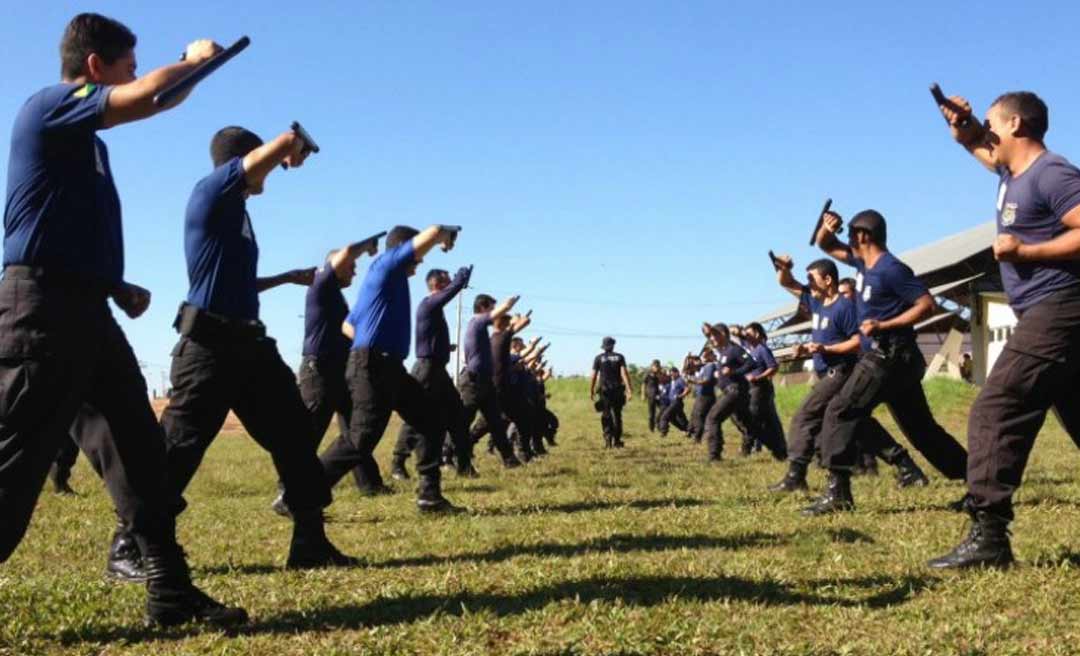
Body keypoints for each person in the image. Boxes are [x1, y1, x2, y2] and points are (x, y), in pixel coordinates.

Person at [0, 13, 244, 626]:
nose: (133, 77)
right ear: (93, 67)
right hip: (41, 314)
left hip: (87, 310)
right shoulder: (49, 107)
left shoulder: (88, 145)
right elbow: (152, 97)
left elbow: (60, 225)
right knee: (15, 466)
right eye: (126, 67)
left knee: (139, 450)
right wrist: (196, 59)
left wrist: (114, 284)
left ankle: (169, 590)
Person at [133, 124, 357, 575]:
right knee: (178, 447)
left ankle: (309, 542)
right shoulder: (214, 190)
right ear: (244, 160)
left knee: (295, 435)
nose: (270, 176)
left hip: (249, 345)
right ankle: (133, 544)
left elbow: (234, 280)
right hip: (209, 346)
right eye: (265, 166)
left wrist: (285, 278)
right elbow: (274, 150)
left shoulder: (237, 213)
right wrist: (291, 147)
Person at [929, 90, 1080, 568]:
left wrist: (1025, 252)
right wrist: (963, 129)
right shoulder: (1010, 174)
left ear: (1016, 124)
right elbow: (981, 147)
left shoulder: (1051, 173)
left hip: (1061, 307)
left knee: (996, 407)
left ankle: (990, 536)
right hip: (1047, 310)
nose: (987, 130)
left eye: (993, 122)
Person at [803, 207, 968, 516]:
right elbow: (825, 244)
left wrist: (884, 325)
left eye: (851, 234)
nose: (848, 240)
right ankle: (979, 483)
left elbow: (926, 304)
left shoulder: (891, 270)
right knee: (922, 430)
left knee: (840, 410)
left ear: (864, 236)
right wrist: (827, 226)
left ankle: (838, 494)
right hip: (893, 359)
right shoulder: (862, 264)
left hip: (888, 355)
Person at [319, 224, 465, 513]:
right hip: (373, 365)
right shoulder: (386, 265)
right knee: (360, 439)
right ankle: (299, 492)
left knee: (431, 421)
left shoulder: (384, 281)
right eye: (417, 255)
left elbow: (348, 324)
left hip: (387, 365)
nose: (419, 262)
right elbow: (435, 231)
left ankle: (430, 497)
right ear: (403, 250)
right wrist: (445, 235)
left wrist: (367, 340)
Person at [767, 256, 928, 493]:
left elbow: (858, 342)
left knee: (805, 416)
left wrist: (826, 349)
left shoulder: (845, 308)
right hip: (827, 373)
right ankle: (907, 467)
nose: (808, 283)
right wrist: (782, 269)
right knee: (857, 422)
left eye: (812, 279)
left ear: (828, 280)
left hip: (842, 371)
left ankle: (795, 475)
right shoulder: (816, 302)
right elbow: (787, 282)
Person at [273, 237, 380, 513]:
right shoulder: (321, 283)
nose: (354, 272)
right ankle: (288, 491)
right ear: (338, 265)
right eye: (351, 267)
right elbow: (346, 253)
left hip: (339, 370)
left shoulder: (334, 294)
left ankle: (369, 483)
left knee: (356, 428)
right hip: (319, 371)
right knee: (308, 433)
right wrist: (368, 245)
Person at [390, 266, 476, 481]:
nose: (450, 282)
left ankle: (464, 465)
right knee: (416, 417)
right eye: (447, 279)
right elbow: (450, 292)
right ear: (437, 284)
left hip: (437, 369)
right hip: (426, 371)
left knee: (457, 416)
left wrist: (445, 347)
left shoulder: (433, 308)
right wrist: (460, 280)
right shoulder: (429, 304)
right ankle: (398, 463)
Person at [701, 323, 785, 462]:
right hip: (732, 392)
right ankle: (780, 452)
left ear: (723, 335)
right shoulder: (723, 352)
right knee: (752, 427)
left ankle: (714, 456)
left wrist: (733, 372)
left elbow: (751, 363)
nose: (711, 338)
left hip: (735, 391)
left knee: (713, 418)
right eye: (709, 336)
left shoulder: (734, 349)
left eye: (714, 335)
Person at [459, 294, 524, 468]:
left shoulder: (482, 330)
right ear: (482, 308)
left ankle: (509, 460)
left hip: (485, 382)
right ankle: (449, 455)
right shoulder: (476, 322)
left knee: (496, 423)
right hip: (472, 382)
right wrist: (508, 304)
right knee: (463, 422)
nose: (494, 312)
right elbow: (498, 314)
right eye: (491, 308)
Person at [492, 314, 540, 461]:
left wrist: (535, 348)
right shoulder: (500, 341)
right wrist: (519, 320)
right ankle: (455, 451)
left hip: (510, 392)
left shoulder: (503, 347)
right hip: (501, 391)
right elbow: (525, 355)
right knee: (486, 425)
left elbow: (525, 356)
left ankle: (522, 453)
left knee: (522, 421)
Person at [743, 323, 787, 457]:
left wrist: (758, 377)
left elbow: (773, 367)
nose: (746, 336)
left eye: (748, 333)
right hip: (753, 389)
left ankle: (747, 447)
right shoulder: (752, 351)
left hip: (761, 389)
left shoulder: (762, 349)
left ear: (757, 334)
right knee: (770, 419)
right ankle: (780, 446)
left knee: (753, 417)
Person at [590, 337, 633, 448]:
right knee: (617, 415)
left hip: (604, 391)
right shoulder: (620, 357)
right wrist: (629, 389)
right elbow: (624, 374)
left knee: (606, 414)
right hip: (617, 390)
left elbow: (593, 376)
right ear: (613, 345)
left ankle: (608, 439)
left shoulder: (598, 358)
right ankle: (617, 441)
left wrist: (591, 390)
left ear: (603, 347)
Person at [686, 350, 716, 444]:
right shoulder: (704, 367)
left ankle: (698, 437)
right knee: (695, 415)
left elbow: (707, 380)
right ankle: (694, 433)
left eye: (705, 355)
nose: (703, 358)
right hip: (701, 395)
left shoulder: (710, 366)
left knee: (699, 416)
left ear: (710, 356)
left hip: (706, 396)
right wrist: (688, 360)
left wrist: (694, 381)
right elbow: (689, 368)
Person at [658, 367, 690, 437]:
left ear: (677, 373)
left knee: (665, 416)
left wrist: (681, 395)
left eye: (672, 374)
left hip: (676, 402)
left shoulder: (680, 380)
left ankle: (663, 431)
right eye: (670, 375)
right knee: (679, 419)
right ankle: (689, 430)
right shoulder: (673, 381)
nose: (671, 376)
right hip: (673, 402)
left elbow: (687, 388)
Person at [642, 360, 663, 432]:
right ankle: (651, 428)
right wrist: (643, 394)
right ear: (652, 366)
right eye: (655, 366)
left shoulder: (659, 375)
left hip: (658, 395)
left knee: (663, 409)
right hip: (651, 396)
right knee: (651, 413)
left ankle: (659, 424)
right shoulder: (647, 375)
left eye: (658, 366)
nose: (657, 368)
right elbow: (643, 384)